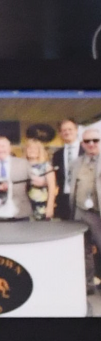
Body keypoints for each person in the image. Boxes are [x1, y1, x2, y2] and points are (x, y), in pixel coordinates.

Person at [70, 127, 101, 289]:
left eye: (95, 140)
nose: (91, 144)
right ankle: (88, 285)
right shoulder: (76, 162)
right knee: (84, 251)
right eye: (87, 141)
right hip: (80, 211)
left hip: (98, 213)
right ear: (82, 144)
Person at [0, 134, 29, 221]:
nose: (0, 149)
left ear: (10, 148)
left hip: (21, 212)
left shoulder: (23, 164)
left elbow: (32, 183)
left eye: (3, 146)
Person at [23, 136, 57, 221]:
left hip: (42, 205)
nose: (32, 151)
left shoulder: (47, 166)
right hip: (25, 205)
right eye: (29, 148)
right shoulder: (21, 165)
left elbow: (52, 188)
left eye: (35, 149)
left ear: (40, 151)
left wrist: (50, 207)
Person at [53, 118, 82, 220]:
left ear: (76, 130)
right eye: (64, 130)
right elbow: (55, 178)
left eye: (70, 129)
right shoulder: (57, 155)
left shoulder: (87, 149)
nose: (67, 132)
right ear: (60, 133)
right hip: (64, 198)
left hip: (83, 197)